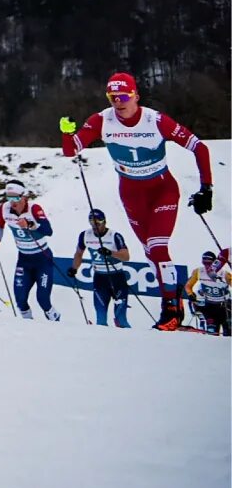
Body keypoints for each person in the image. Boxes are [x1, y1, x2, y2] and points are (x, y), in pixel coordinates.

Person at [60, 72, 213, 331]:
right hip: (131, 194)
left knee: (158, 245)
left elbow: (199, 147)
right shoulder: (101, 120)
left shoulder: (156, 121)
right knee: (150, 252)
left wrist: (206, 188)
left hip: (162, 189)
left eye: (123, 96)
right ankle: (174, 299)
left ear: (136, 96)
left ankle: (171, 311)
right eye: (112, 97)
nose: (118, 102)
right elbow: (71, 150)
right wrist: (67, 132)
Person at [0, 182, 59, 321]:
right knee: (20, 300)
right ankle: (29, 328)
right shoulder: (5, 208)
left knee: (43, 300)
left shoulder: (34, 209)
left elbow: (48, 231)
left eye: (15, 198)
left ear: (24, 197)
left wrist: (31, 225)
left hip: (42, 259)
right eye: (9, 197)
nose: (12, 202)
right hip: (24, 259)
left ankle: (56, 322)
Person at [71, 208, 132, 328]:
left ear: (104, 222)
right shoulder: (85, 235)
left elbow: (126, 256)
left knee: (121, 320)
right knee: (101, 319)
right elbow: (79, 253)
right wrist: (74, 268)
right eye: (92, 224)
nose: (95, 227)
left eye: (97, 224)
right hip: (100, 278)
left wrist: (110, 253)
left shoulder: (114, 235)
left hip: (117, 277)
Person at [185, 252, 229, 335]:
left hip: (224, 305)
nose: (207, 265)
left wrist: (223, 283)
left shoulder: (224, 273)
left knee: (228, 332)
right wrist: (190, 294)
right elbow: (188, 286)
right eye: (204, 262)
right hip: (210, 305)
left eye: (209, 263)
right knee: (212, 332)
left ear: (215, 262)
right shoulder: (198, 271)